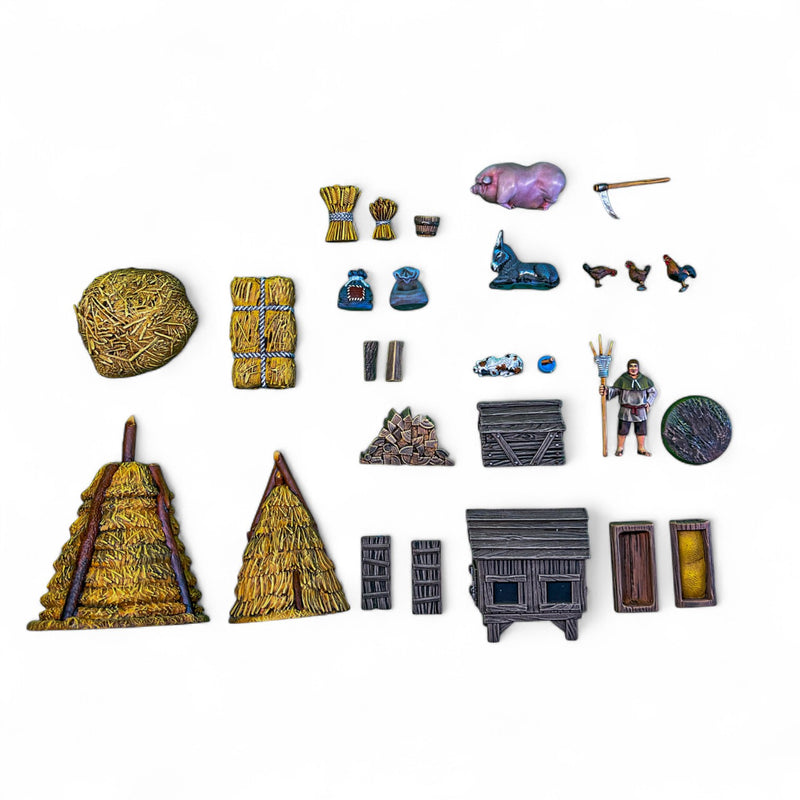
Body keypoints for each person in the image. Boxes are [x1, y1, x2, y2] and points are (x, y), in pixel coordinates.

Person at [599, 359, 657, 456]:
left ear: (638, 367)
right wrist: (606, 390)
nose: (633, 368)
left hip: (640, 410)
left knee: (641, 430)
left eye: (635, 366)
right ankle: (620, 448)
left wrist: (648, 402)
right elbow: (614, 391)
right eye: (631, 366)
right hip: (626, 410)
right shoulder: (622, 380)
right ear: (628, 368)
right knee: (623, 430)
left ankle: (641, 448)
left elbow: (653, 392)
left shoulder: (645, 380)